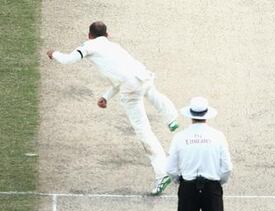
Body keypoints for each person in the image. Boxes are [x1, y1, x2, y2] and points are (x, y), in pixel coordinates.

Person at [46, 21, 179, 195]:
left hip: (130, 89)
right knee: (153, 93)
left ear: (89, 35)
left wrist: (53, 53)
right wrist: (106, 96)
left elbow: (67, 60)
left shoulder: (88, 46)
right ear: (107, 35)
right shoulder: (115, 47)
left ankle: (162, 173)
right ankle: (171, 118)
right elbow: (122, 76)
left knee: (143, 131)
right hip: (143, 76)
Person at [166, 97, 232, 211]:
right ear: (206, 115)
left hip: (188, 187)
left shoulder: (179, 137)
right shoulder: (218, 136)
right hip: (211, 188)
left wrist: (180, 181)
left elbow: (170, 169)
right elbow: (227, 168)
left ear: (190, 115)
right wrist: (218, 182)